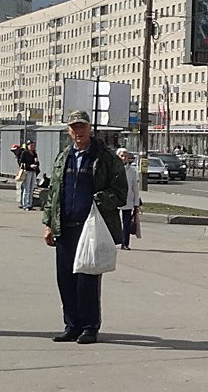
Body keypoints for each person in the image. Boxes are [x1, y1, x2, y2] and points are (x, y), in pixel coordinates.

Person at [41, 110, 127, 345]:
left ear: (90, 128)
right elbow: (54, 194)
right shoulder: (64, 157)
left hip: (90, 229)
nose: (78, 132)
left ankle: (89, 327)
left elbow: (120, 193)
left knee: (87, 279)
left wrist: (97, 201)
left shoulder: (105, 158)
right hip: (65, 228)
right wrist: (48, 223)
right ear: (69, 131)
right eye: (74, 127)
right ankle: (71, 325)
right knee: (65, 279)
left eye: (82, 127)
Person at [116, 148, 142, 250]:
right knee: (114, 223)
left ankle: (125, 243)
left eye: (126, 156)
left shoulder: (131, 171)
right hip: (115, 201)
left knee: (126, 223)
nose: (124, 158)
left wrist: (136, 203)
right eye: (122, 156)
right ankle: (112, 242)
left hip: (128, 201)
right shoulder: (113, 169)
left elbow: (135, 188)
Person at [18, 140, 40, 210]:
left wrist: (36, 165)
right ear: (27, 146)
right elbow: (21, 163)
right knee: (26, 188)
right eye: (30, 145)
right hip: (27, 172)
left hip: (33, 172)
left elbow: (37, 162)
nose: (32, 147)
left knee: (31, 188)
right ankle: (25, 204)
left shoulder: (34, 153)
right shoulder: (24, 153)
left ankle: (30, 204)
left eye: (33, 145)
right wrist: (30, 166)